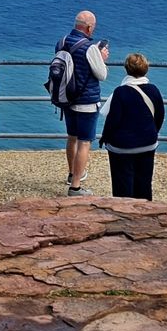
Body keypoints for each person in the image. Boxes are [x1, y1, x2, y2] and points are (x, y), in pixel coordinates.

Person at [56, 10, 111, 196]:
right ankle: (76, 187)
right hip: (86, 102)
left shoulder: (62, 42)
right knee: (84, 142)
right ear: (89, 28)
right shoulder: (90, 48)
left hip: (66, 99)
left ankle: (72, 174)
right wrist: (101, 58)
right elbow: (102, 75)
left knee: (71, 137)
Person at [99, 53, 165, 199]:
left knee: (122, 185)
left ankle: (123, 209)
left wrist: (104, 138)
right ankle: (145, 209)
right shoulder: (153, 90)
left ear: (126, 69)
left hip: (122, 146)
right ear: (146, 69)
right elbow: (160, 115)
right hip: (147, 143)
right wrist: (151, 132)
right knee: (144, 183)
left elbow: (113, 120)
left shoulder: (120, 92)